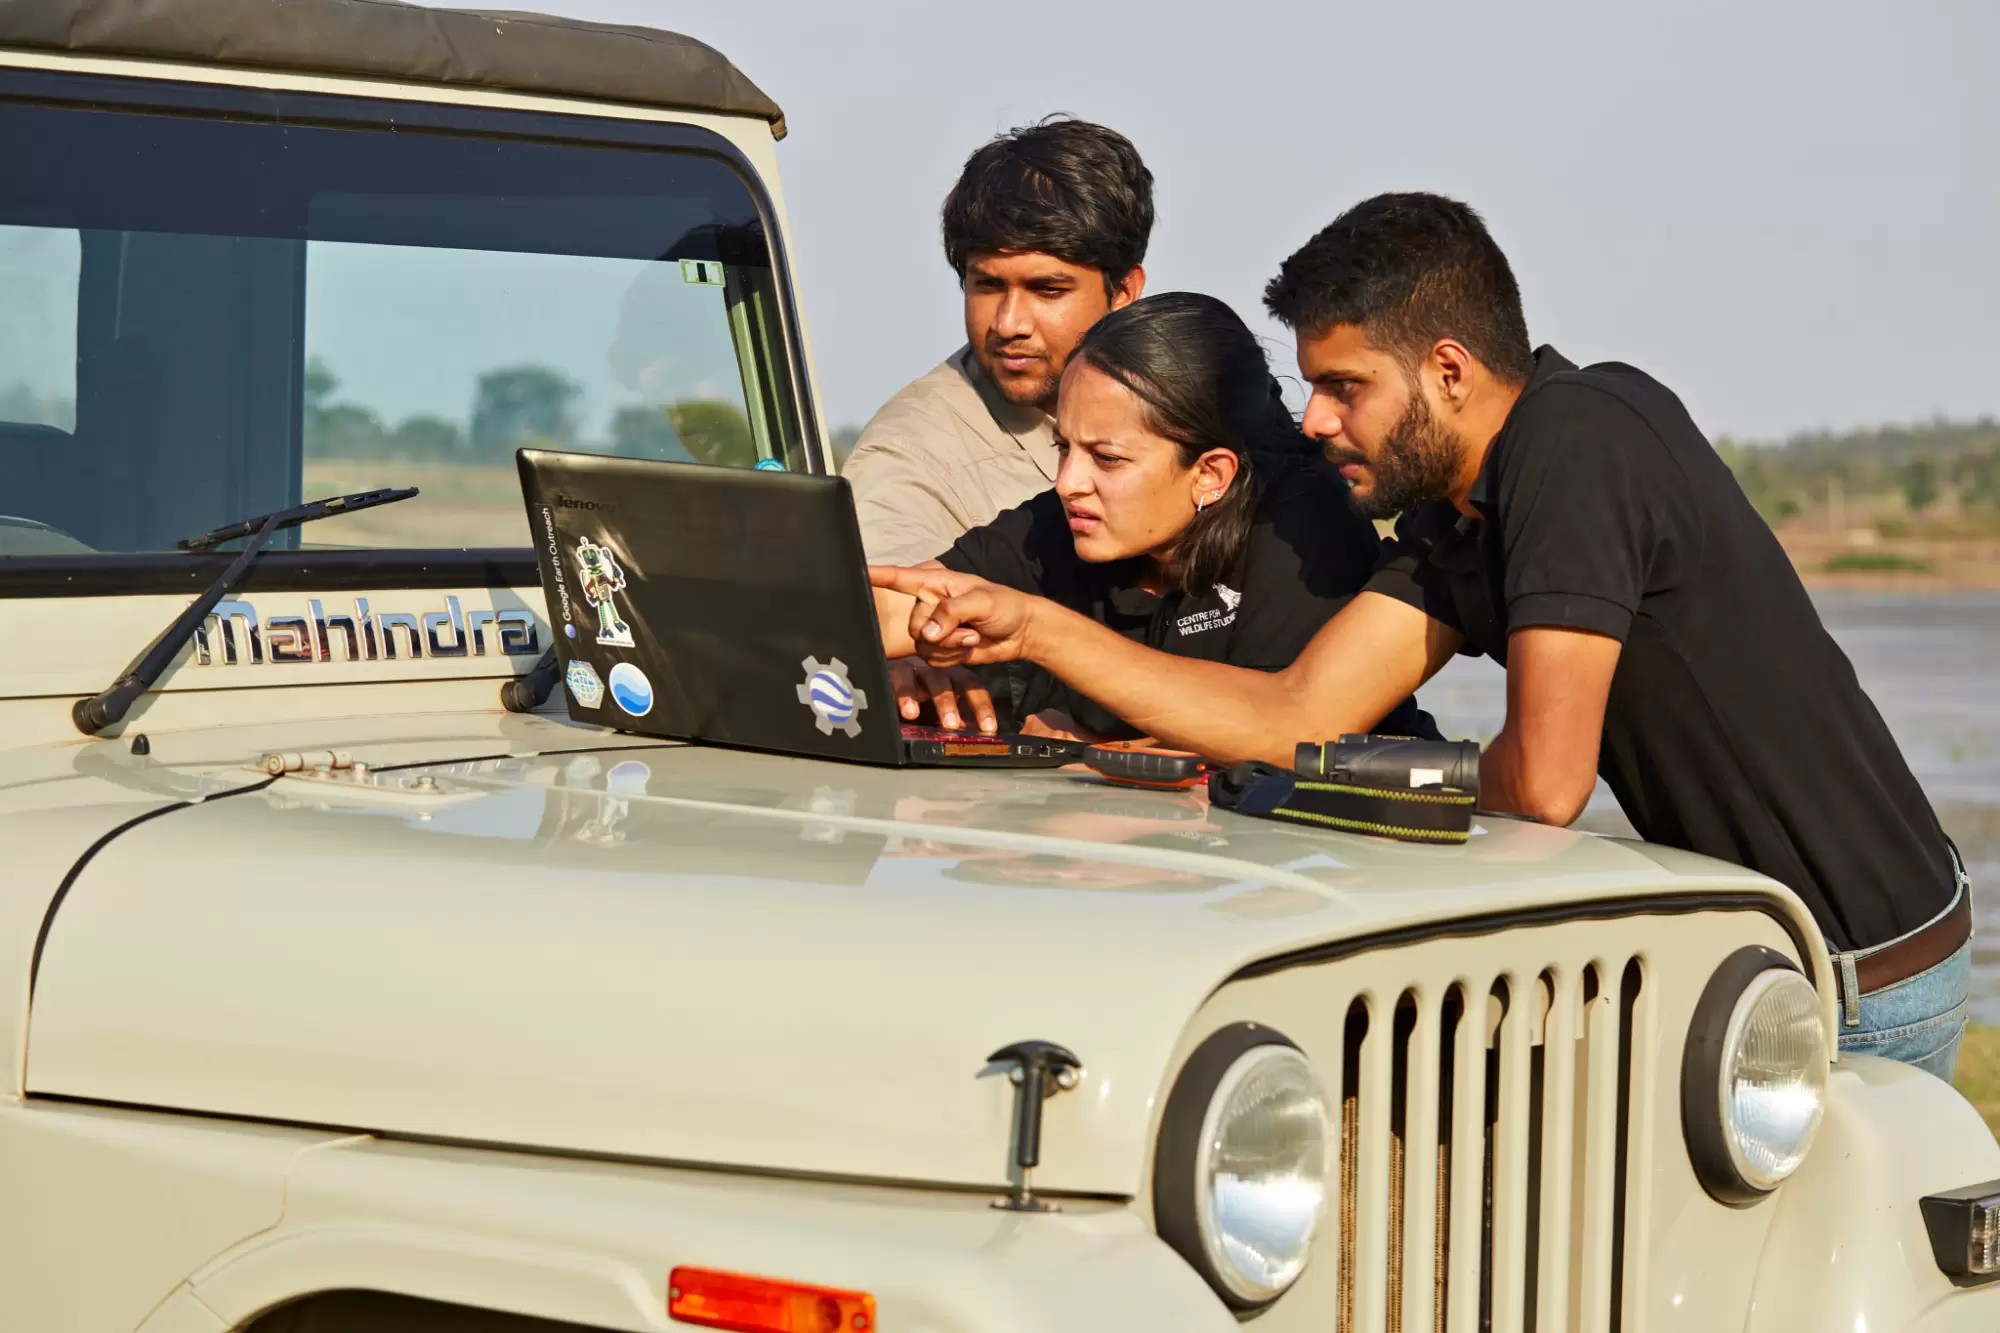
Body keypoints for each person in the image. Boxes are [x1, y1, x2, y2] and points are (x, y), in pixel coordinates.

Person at [874, 193, 1970, 1079]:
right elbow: (1299, 713)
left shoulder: (1576, 444)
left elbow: (1543, 785)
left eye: (1343, 387)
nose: (1310, 421)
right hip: (1758, 962)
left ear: (1447, 370)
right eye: (1308, 388)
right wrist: (1040, 633)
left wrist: (1322, 785)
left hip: (1860, 976)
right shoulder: (1463, 518)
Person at [874, 291, 1433, 744]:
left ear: (1211, 474)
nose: (1069, 483)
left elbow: (1274, 733)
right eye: (1065, 448)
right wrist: (895, 664)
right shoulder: (1067, 522)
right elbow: (891, 610)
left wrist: (1095, 748)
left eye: (1108, 458)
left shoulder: (1303, 534)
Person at [844, 117, 1151, 733]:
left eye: (1047, 288)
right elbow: (870, 610)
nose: (1009, 322)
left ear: (1125, 293)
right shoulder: (914, 446)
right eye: (988, 285)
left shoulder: (1187, 399)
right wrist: (904, 660)